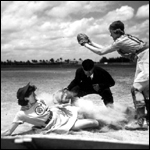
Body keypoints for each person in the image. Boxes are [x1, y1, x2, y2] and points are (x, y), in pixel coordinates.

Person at [79, 20, 149, 129]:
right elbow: (105, 48)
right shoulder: (125, 38)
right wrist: (91, 42)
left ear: (116, 31)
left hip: (146, 60)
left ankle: (140, 122)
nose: (110, 35)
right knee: (145, 91)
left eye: (110, 32)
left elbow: (101, 52)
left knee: (136, 90)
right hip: (143, 59)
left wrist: (85, 44)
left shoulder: (120, 41)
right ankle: (146, 119)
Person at [1, 82, 101, 136]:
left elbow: (47, 108)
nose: (35, 94)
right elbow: (9, 132)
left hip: (60, 113)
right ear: (26, 98)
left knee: (86, 112)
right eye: (32, 93)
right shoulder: (21, 114)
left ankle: (110, 120)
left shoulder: (37, 100)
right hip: (57, 124)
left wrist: (59, 105)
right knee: (94, 123)